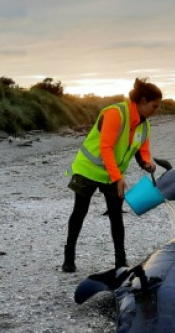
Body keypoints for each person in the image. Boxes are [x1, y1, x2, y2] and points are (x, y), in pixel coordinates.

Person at [62, 78, 162, 273]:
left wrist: (147, 163)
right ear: (143, 101)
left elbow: (142, 150)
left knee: (116, 215)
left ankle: (121, 263)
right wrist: (118, 178)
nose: (155, 110)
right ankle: (69, 256)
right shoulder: (116, 113)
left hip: (113, 174)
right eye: (154, 106)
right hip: (88, 169)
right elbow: (105, 147)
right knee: (79, 212)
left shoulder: (145, 126)